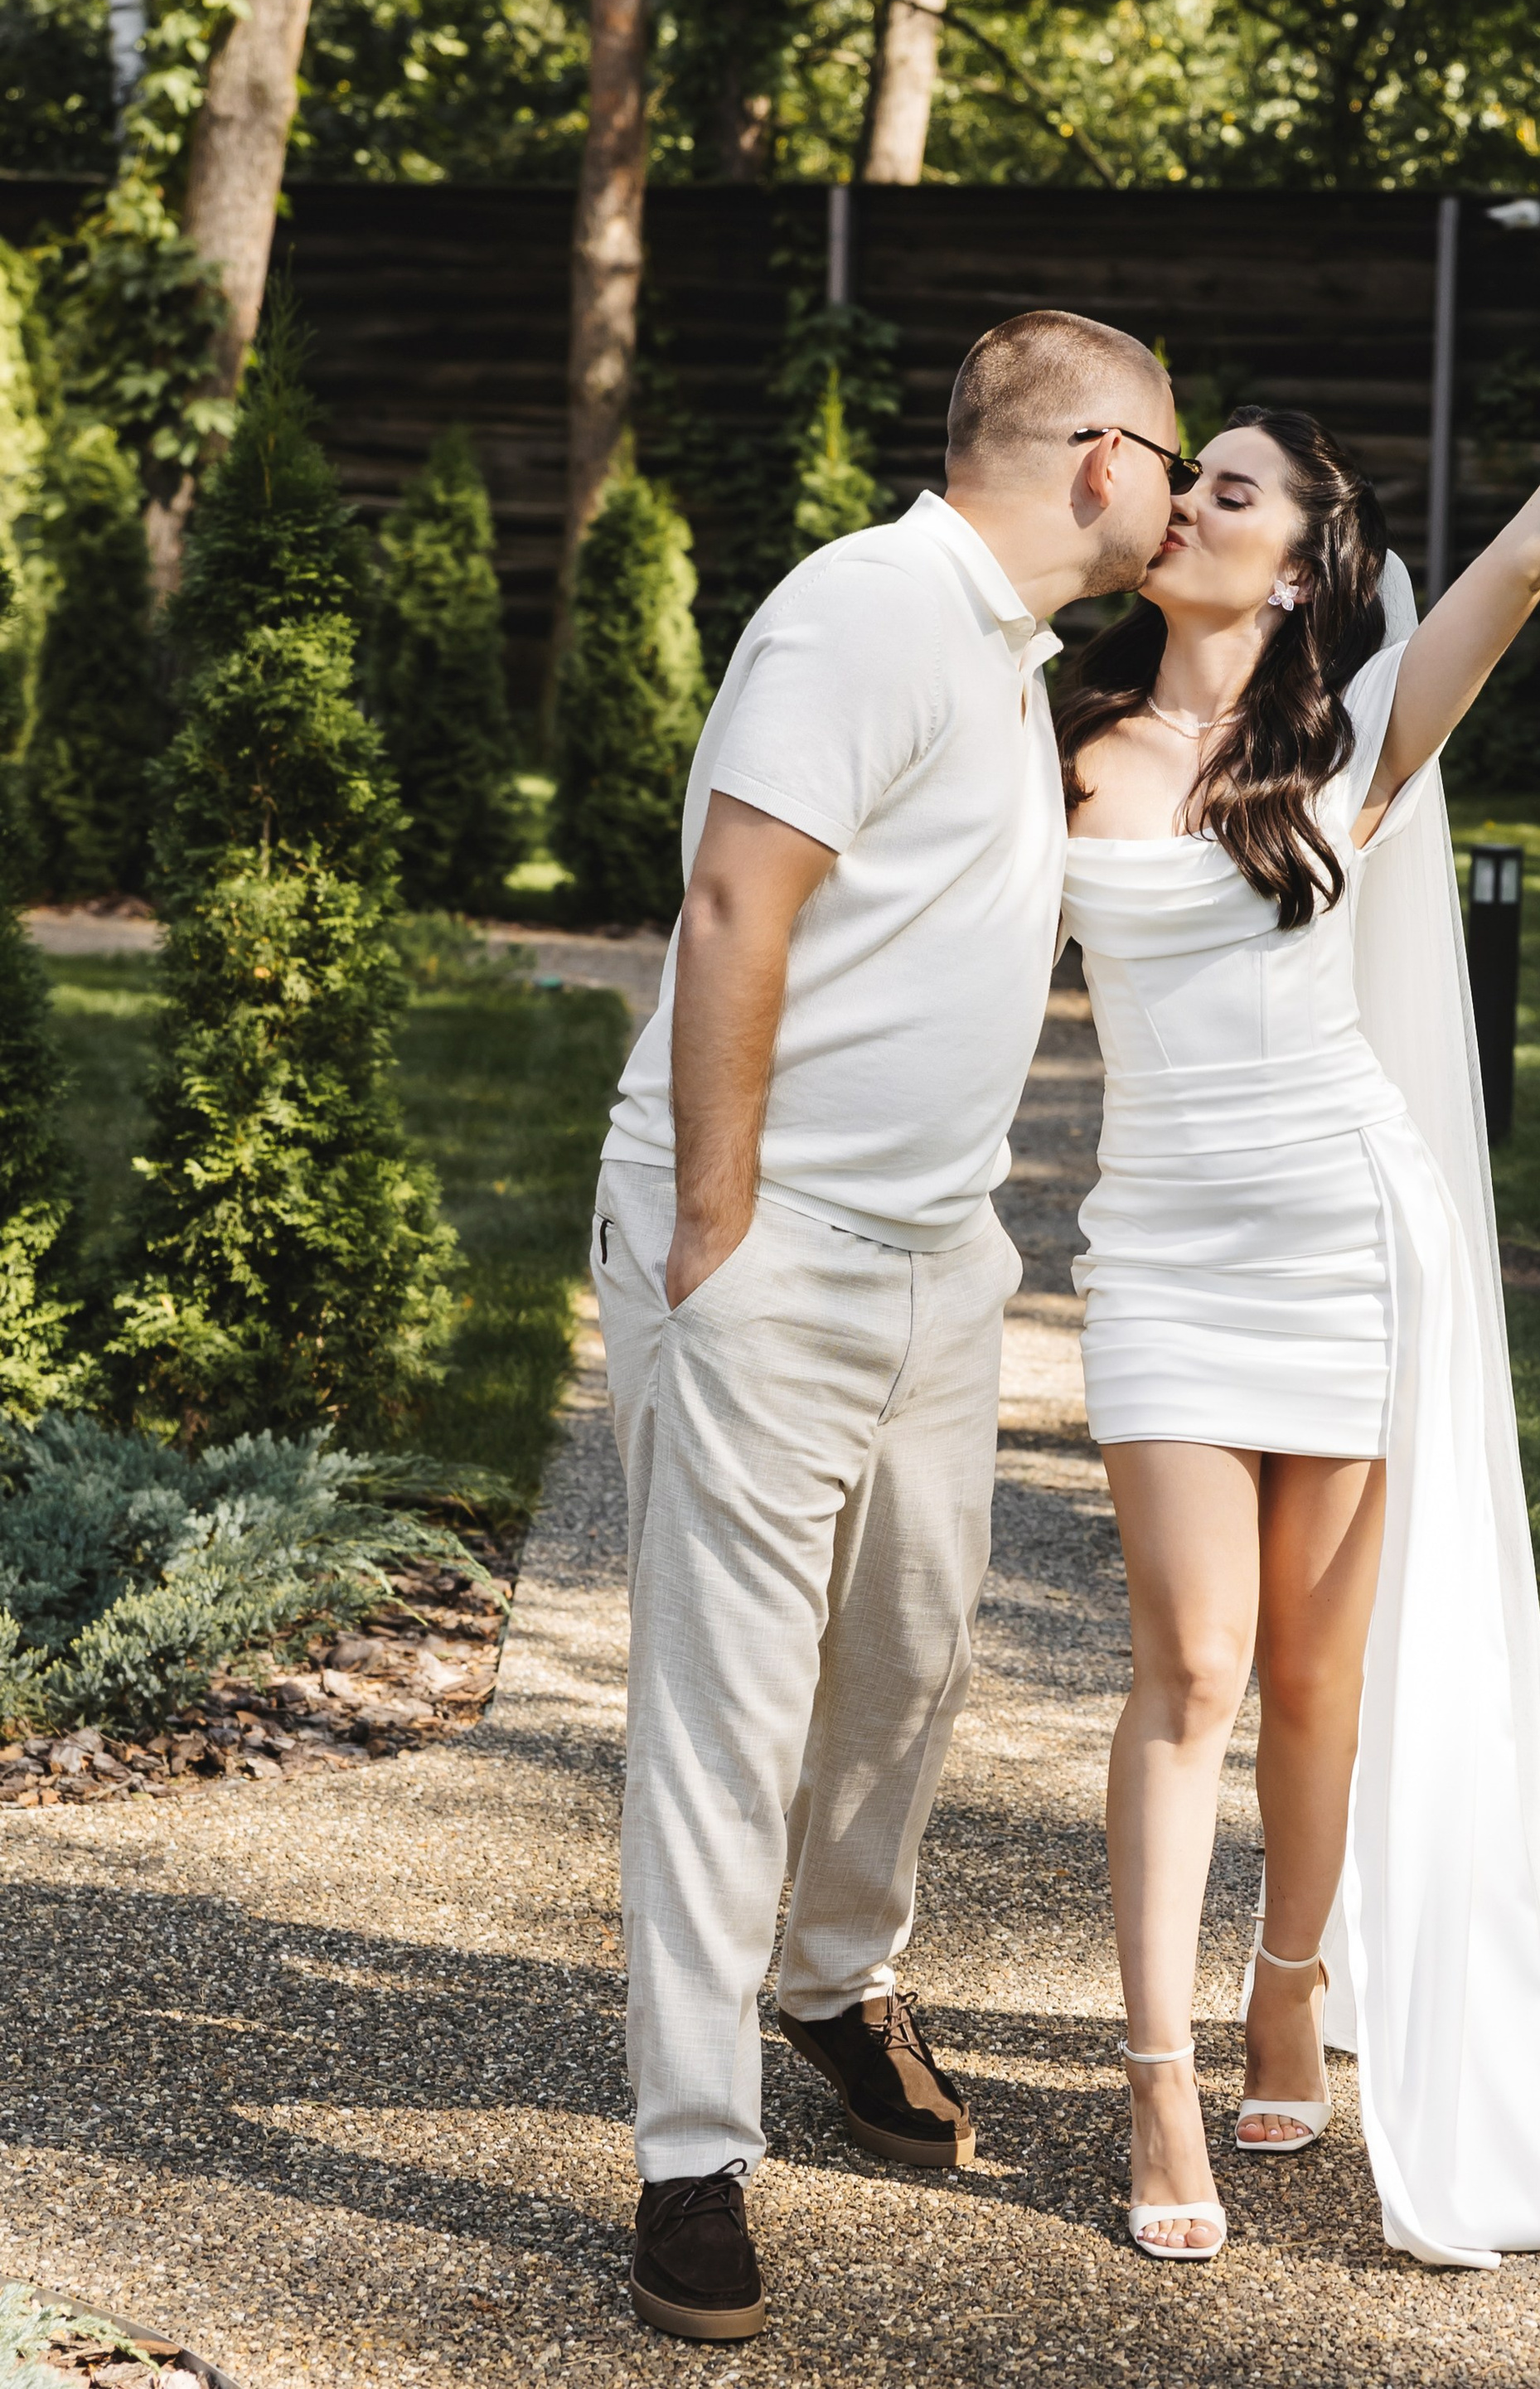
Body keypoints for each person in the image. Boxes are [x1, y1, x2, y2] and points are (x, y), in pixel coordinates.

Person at [1056, 231, 1540, 2265]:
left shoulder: (1352, 741)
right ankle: (1158, 2077)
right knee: (1184, 1665)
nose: (1188, 500)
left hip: (1347, 1242)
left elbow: (1518, 566)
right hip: (1162, 1251)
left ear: (1291, 571)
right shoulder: (1058, 730)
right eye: (1187, 478)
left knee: (1309, 1674)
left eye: (1231, 488)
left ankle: (1291, 1980)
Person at [590, 308, 1184, 2341]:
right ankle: (689, 2150)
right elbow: (736, 899)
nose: (1182, 492)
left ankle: (834, 1978)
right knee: (726, 1704)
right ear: (1095, 459)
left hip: (939, 1257)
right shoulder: (861, 607)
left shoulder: (1003, 651)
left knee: (910, 1651)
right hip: (770, 1249)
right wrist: (715, 1226)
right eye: (1169, 457)